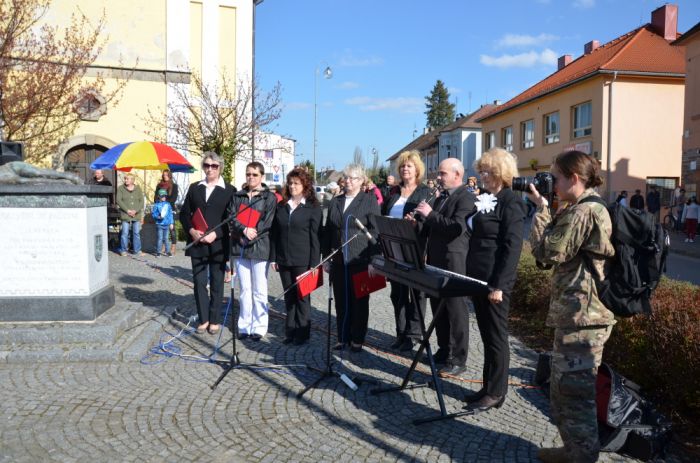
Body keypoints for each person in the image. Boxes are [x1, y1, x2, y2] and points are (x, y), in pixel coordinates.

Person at [527, 150, 616, 463]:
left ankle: (582, 456)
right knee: (564, 389)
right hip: (579, 314)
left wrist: (540, 210)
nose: (552, 184)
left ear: (574, 178)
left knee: (575, 394)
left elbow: (546, 252)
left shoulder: (583, 212)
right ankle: (573, 450)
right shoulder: (581, 207)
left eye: (556, 177)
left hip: (584, 318)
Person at [462, 148, 526, 413]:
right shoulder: (487, 198)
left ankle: (497, 392)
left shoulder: (512, 202)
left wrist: (500, 285)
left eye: (487, 171)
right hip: (478, 278)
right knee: (486, 336)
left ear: (501, 172)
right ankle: (487, 386)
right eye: (481, 170)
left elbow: (512, 247)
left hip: (495, 281)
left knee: (497, 338)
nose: (482, 175)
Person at [414, 158, 475, 377]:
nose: (438, 177)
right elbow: (433, 227)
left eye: (442, 174)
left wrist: (429, 214)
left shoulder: (466, 198)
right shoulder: (442, 198)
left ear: (457, 175)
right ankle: (443, 349)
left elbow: (456, 228)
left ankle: (458, 358)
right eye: (439, 173)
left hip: (454, 261)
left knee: (456, 310)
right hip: (436, 260)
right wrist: (419, 221)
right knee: (438, 306)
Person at [322, 164, 381, 352]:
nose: (348, 181)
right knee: (341, 301)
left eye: (353, 178)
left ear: (362, 180)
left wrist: (374, 259)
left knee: (360, 302)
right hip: (339, 260)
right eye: (346, 177)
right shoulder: (335, 201)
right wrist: (326, 257)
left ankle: (357, 339)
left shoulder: (369, 200)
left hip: (361, 259)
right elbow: (328, 230)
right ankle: (342, 337)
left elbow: (376, 231)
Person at [180, 152, 236, 335]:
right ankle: (203, 319)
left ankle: (215, 320)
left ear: (220, 167)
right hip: (197, 243)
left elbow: (231, 219)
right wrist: (191, 231)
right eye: (206, 165)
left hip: (218, 244)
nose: (210, 169)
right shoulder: (195, 187)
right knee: (199, 282)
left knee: (218, 283)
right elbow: (184, 214)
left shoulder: (230, 190)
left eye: (214, 166)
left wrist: (217, 233)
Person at [382, 150, 432, 352]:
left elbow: (428, 224)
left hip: (416, 249)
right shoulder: (393, 193)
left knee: (417, 294)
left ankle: (414, 334)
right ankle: (401, 333)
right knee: (398, 293)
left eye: (409, 166)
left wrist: (416, 227)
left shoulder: (424, 193)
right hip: (394, 250)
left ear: (417, 169)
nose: (404, 169)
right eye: (402, 166)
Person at [270, 168, 323, 345]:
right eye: (290, 183)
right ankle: (290, 331)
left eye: (296, 183)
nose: (292, 186)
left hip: (303, 259)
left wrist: (315, 263)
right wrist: (274, 257)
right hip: (284, 259)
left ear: (305, 185)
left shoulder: (313, 207)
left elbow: (316, 237)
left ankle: (302, 333)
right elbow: (275, 234)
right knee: (289, 297)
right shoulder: (282, 206)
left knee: (302, 298)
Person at [230, 161, 277, 340]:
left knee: (259, 289)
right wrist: (243, 230)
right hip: (240, 245)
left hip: (259, 247)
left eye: (255, 174)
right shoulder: (238, 196)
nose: (251, 177)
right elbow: (231, 217)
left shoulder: (268, 198)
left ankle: (259, 325)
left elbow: (267, 222)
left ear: (262, 177)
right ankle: (244, 325)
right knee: (245, 289)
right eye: (248, 174)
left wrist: (251, 234)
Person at [116, 173, 144, 256]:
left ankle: (137, 250)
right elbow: (118, 200)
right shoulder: (121, 188)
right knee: (124, 233)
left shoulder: (138, 189)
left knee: (136, 233)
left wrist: (136, 210)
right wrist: (127, 210)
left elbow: (141, 201)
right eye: (125, 179)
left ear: (132, 180)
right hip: (125, 214)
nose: (125, 180)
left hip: (136, 214)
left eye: (127, 179)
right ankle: (123, 250)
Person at [154, 169, 180, 256]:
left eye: (167, 175)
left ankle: (173, 245)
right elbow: (155, 197)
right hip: (159, 209)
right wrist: (159, 206)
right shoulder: (159, 185)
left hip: (169, 208)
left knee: (171, 228)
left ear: (170, 175)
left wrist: (166, 205)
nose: (165, 176)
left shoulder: (174, 186)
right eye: (164, 175)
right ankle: (164, 246)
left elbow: (174, 198)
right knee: (161, 228)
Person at [151, 189, 174, 257]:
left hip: (167, 225)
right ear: (159, 196)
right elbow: (153, 214)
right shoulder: (156, 205)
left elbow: (170, 214)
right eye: (162, 196)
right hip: (159, 224)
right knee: (160, 238)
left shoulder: (168, 204)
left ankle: (167, 252)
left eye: (165, 196)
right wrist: (158, 217)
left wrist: (171, 223)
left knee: (166, 239)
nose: (164, 197)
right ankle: (158, 252)